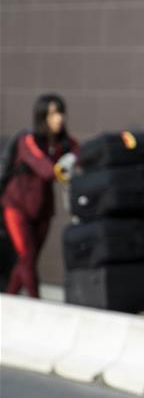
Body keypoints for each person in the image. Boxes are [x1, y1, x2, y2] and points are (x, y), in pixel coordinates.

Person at [1, 94, 79, 297]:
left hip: (43, 209)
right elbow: (43, 166)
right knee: (26, 256)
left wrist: (72, 158)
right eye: (52, 114)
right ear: (42, 116)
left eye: (60, 113)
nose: (58, 118)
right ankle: (36, 302)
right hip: (17, 207)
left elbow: (82, 151)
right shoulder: (28, 139)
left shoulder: (64, 143)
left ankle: (8, 301)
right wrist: (62, 168)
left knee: (28, 259)